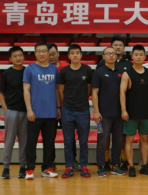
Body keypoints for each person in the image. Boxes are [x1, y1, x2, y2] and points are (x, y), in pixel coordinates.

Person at [23, 41, 60, 180]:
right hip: (35, 112)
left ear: (48, 53)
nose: (42, 53)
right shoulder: (30, 69)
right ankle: (29, 169)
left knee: (49, 143)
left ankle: (47, 168)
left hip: (51, 112)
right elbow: (26, 90)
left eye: (44, 51)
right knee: (31, 143)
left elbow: (56, 89)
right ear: (35, 53)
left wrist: (58, 107)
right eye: (39, 51)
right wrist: (29, 110)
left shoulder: (54, 69)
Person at [120, 45, 148, 177]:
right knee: (129, 140)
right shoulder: (127, 73)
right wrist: (123, 110)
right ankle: (131, 166)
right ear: (132, 57)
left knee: (144, 139)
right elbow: (122, 93)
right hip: (131, 113)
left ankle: (144, 165)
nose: (139, 57)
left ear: (145, 56)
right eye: (136, 54)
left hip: (145, 112)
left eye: (141, 55)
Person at [97, 36, 132, 171]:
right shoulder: (101, 67)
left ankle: (119, 162)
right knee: (103, 138)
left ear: (123, 48)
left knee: (119, 138)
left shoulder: (127, 66)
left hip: (120, 110)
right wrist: (97, 110)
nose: (117, 48)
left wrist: (125, 109)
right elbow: (95, 91)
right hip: (104, 110)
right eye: (115, 45)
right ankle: (103, 163)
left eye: (120, 45)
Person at [58, 44, 93, 179]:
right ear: (68, 56)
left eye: (77, 53)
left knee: (83, 141)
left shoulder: (87, 70)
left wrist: (81, 101)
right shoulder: (64, 71)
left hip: (83, 110)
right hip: (67, 110)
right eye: (72, 53)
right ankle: (69, 167)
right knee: (68, 141)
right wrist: (67, 104)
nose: (75, 55)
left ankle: (84, 166)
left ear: (81, 55)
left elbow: (89, 89)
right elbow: (61, 91)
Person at [92, 47, 126, 178]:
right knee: (102, 141)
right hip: (104, 114)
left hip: (119, 114)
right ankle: (101, 166)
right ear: (103, 56)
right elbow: (94, 93)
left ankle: (115, 165)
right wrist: (96, 112)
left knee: (118, 141)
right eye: (108, 54)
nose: (111, 56)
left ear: (116, 56)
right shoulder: (98, 72)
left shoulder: (122, 72)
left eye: (113, 54)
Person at [0, 46, 27, 180]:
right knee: (9, 141)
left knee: (24, 142)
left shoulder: (28, 71)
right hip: (11, 112)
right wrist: (5, 109)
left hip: (26, 112)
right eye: (15, 56)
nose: (18, 58)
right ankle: (6, 168)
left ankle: (22, 168)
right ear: (10, 59)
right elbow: (0, 92)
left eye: (20, 55)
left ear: (23, 57)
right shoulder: (6, 73)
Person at [48, 42, 70, 172]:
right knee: (50, 137)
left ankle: (72, 162)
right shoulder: (42, 68)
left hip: (66, 107)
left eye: (53, 54)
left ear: (58, 54)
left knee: (69, 137)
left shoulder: (66, 67)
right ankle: (51, 162)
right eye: (49, 54)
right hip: (49, 109)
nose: (51, 57)